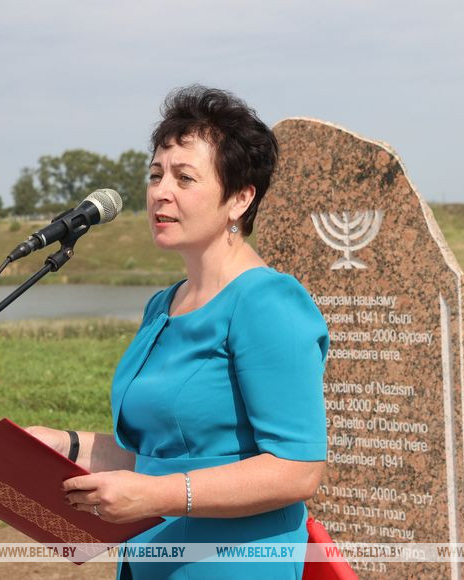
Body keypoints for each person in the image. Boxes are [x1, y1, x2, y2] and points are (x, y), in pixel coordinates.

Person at [29, 86, 329, 578]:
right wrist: (68, 445)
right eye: (155, 175)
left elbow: (297, 469)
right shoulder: (161, 306)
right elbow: (157, 451)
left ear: (239, 198)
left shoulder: (267, 303)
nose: (160, 192)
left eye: (184, 178)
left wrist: (156, 495)